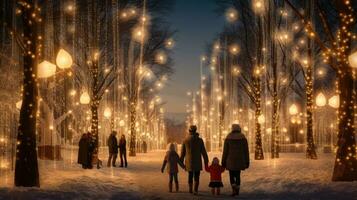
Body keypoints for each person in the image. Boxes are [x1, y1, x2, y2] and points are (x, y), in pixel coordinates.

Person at [222, 124, 250, 196]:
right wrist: (247, 161)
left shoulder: (228, 138)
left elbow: (225, 151)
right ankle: (237, 189)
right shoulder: (243, 138)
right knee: (238, 175)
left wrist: (223, 161)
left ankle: (233, 188)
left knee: (231, 175)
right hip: (240, 160)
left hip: (230, 160)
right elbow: (246, 151)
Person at [180, 125, 209, 195]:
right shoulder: (200, 140)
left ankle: (190, 189)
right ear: (196, 131)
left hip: (189, 161)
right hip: (197, 162)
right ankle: (195, 190)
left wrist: (181, 162)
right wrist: (206, 161)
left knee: (190, 175)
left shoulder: (185, 140)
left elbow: (182, 153)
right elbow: (203, 152)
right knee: (197, 175)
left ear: (189, 131)